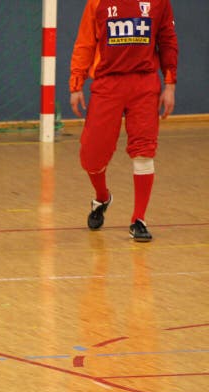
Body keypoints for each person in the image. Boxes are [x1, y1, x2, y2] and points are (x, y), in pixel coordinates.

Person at [69, 0, 178, 242]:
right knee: (91, 156)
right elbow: (85, 42)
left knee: (144, 151)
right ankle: (102, 197)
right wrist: (76, 83)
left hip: (144, 82)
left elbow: (168, 40)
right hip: (108, 83)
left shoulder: (159, 2)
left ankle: (138, 219)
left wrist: (170, 84)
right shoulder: (97, 3)